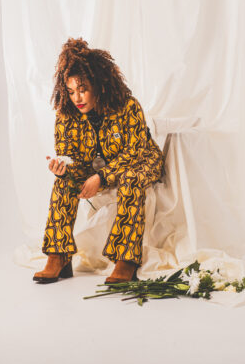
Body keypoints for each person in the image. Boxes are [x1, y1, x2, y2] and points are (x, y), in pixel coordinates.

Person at [33, 37, 165, 284]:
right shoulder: (66, 114)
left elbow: (134, 152)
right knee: (62, 185)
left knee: (130, 180)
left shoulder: (127, 106)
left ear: (98, 84)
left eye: (82, 89)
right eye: (71, 91)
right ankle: (58, 256)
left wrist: (101, 177)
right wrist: (62, 169)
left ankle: (126, 260)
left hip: (141, 160)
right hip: (96, 167)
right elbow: (68, 155)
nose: (77, 98)